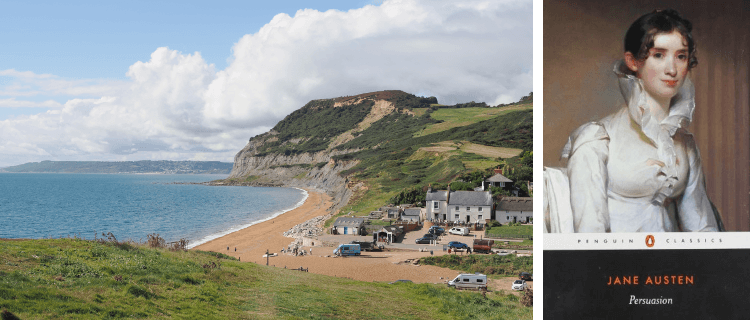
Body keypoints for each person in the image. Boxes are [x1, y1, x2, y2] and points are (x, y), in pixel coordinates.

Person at [544, 9, 724, 233]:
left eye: (681, 56)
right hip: (615, 266)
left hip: (674, 266)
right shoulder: (597, 138)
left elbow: (703, 230)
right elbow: (589, 237)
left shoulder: (684, 144)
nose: (672, 69)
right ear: (633, 61)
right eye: (658, 55)